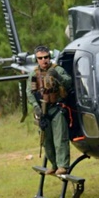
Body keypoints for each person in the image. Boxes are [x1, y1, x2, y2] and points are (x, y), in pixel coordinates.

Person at [28, 45, 73, 175]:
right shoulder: (34, 74)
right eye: (40, 58)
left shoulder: (57, 70)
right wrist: (37, 108)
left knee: (60, 139)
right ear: (37, 59)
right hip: (43, 112)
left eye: (46, 57)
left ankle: (62, 165)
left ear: (50, 57)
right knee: (46, 141)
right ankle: (54, 164)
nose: (44, 60)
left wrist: (58, 76)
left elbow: (68, 82)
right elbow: (30, 92)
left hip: (57, 108)